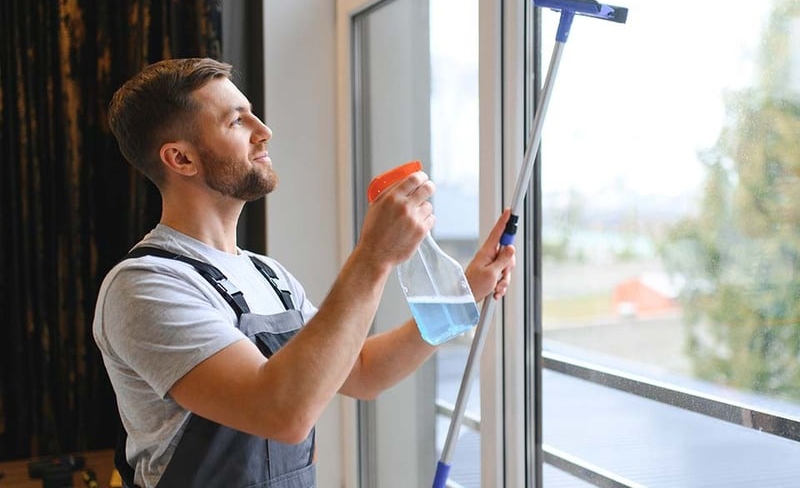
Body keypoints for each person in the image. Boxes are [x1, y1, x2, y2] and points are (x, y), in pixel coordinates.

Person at [93, 57, 516, 488]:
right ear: (181, 158)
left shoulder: (267, 275)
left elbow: (364, 371)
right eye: (237, 121)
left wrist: (466, 291)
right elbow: (280, 411)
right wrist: (374, 257)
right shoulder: (144, 286)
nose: (264, 130)